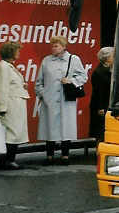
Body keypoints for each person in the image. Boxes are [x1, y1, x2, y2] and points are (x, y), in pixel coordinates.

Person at [35, 36, 87, 165]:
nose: (53, 48)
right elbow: (38, 82)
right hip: (50, 100)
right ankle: (49, 156)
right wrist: (43, 94)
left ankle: (65, 155)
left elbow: (83, 76)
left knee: (66, 128)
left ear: (64, 47)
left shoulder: (73, 59)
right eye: (52, 46)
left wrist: (71, 81)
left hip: (66, 99)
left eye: (56, 45)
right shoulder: (46, 61)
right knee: (49, 128)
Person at [0, 42, 30, 170]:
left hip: (14, 107)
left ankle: (9, 160)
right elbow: (1, 88)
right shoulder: (3, 67)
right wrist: (2, 108)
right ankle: (7, 161)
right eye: (17, 51)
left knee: (12, 134)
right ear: (11, 52)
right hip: (9, 107)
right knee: (9, 135)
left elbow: (10, 84)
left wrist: (21, 85)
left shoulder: (8, 66)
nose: (19, 53)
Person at [89, 46, 114, 144]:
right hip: (101, 105)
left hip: (107, 103)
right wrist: (100, 107)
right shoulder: (99, 72)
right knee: (100, 129)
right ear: (107, 58)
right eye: (113, 56)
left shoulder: (110, 70)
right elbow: (98, 91)